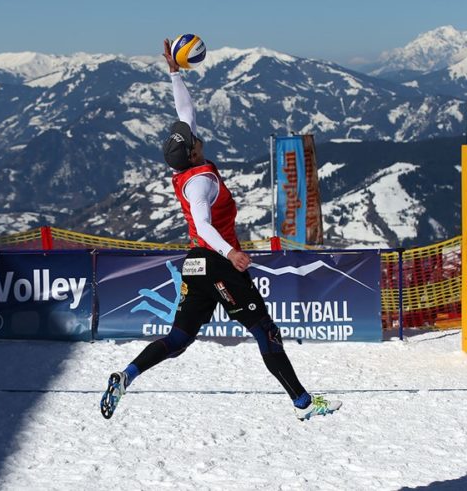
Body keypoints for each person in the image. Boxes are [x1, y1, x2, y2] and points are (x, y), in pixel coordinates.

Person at [100, 39, 342, 421]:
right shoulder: (201, 183)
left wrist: (174, 72)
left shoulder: (184, 166)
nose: (197, 135)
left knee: (177, 340)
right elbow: (202, 223)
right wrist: (229, 252)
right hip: (215, 261)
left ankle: (126, 375)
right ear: (194, 152)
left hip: (194, 264)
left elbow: (186, 110)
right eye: (194, 139)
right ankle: (304, 403)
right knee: (265, 330)